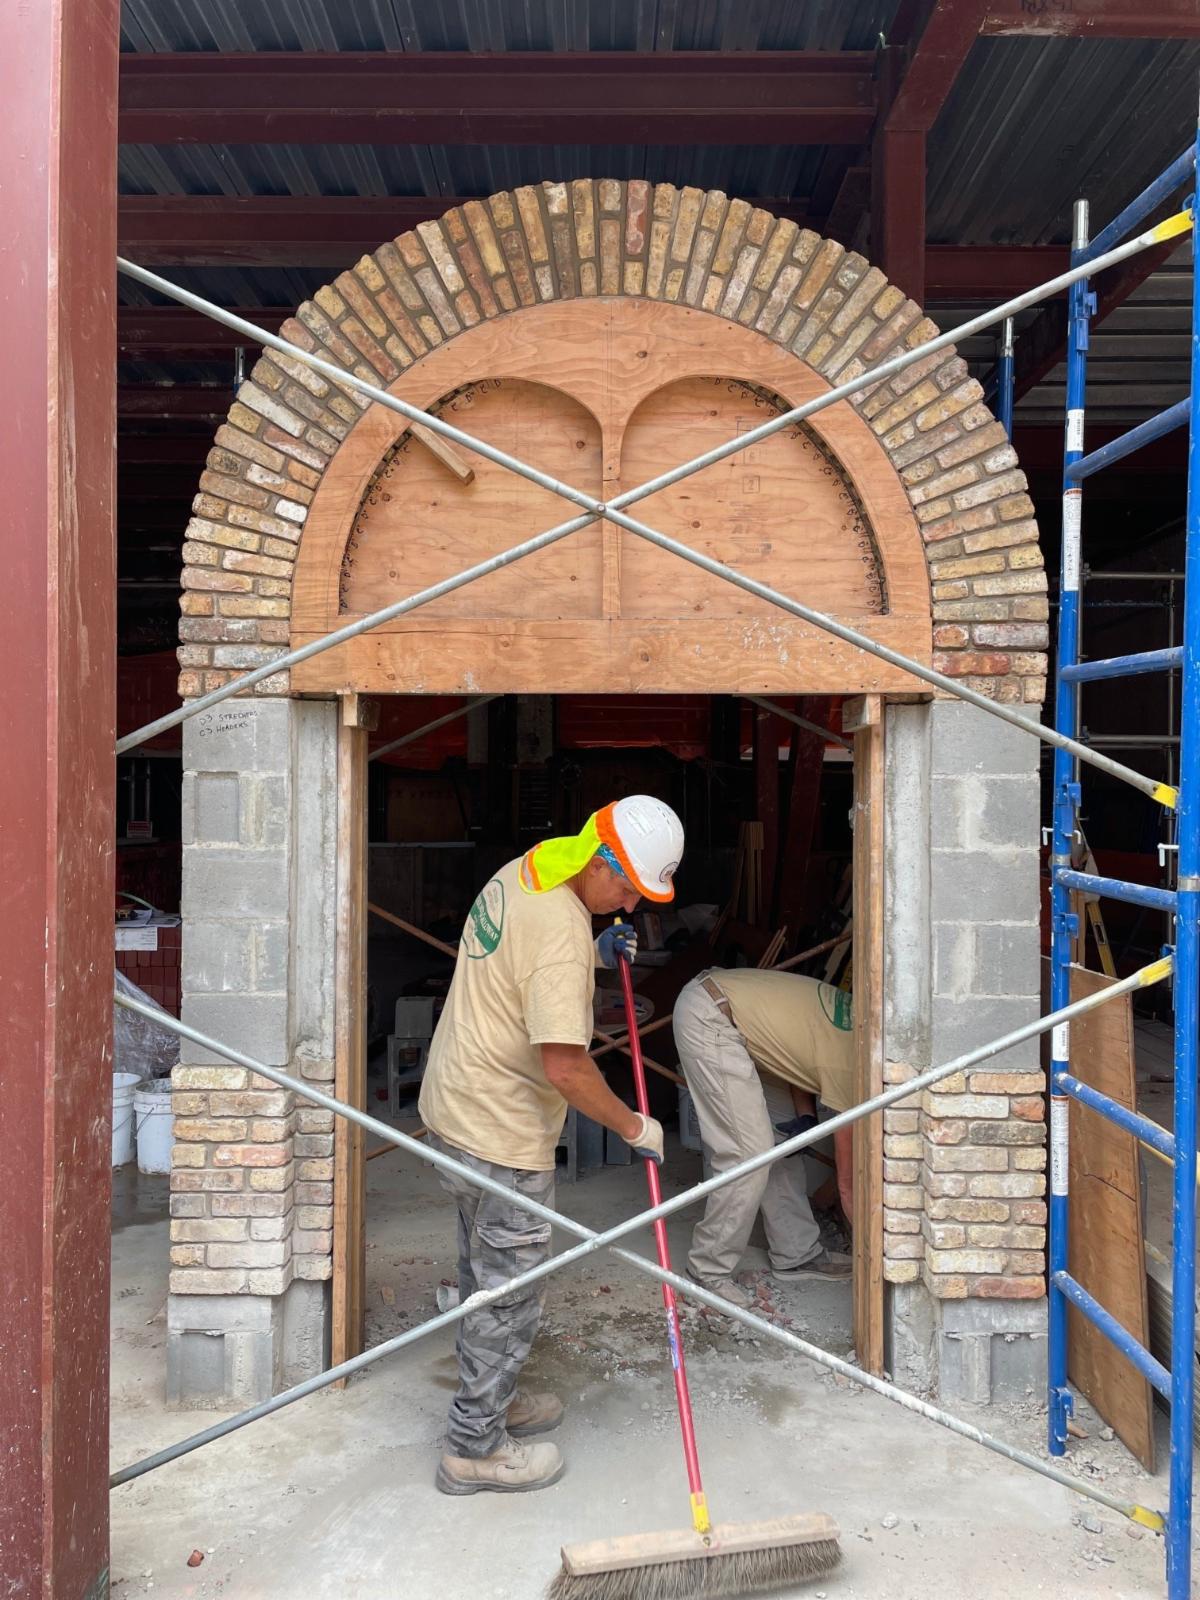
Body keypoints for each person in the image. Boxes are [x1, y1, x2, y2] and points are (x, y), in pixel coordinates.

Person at [419, 795, 685, 1495]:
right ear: (599, 861)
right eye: (627, 887)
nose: (629, 905)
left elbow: (519, 960)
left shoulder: (529, 867)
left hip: (454, 1109)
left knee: (484, 1277)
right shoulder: (563, 934)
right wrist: (634, 1126)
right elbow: (565, 1067)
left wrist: (593, 953)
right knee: (509, 1297)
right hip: (500, 1133)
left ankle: (491, 1401)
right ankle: (474, 1448)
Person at [673, 967, 854, 1310]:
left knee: (784, 1144)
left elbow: (798, 1058)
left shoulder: (855, 1033)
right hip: (712, 1015)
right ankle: (706, 1271)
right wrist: (872, 1246)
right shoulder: (852, 1065)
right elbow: (848, 1183)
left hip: (746, 1028)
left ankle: (796, 1253)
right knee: (748, 1152)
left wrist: (806, 1118)